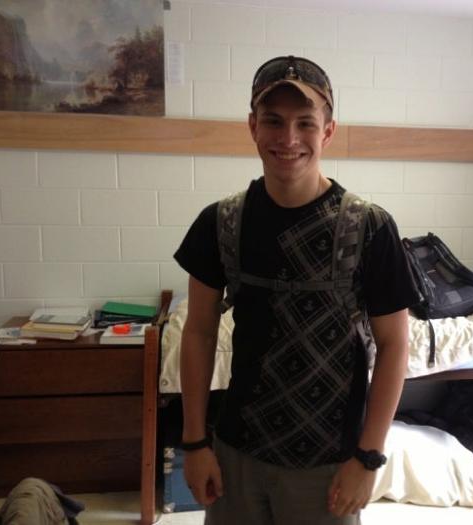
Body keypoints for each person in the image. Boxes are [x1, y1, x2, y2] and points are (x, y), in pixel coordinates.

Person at [174, 55, 419, 524]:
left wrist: (368, 457)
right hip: (236, 457)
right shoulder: (220, 222)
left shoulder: (369, 227)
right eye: (273, 121)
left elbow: (394, 345)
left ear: (328, 131)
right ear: (253, 126)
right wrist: (195, 443)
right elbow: (199, 333)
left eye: (305, 122)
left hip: (328, 468)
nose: (288, 139)